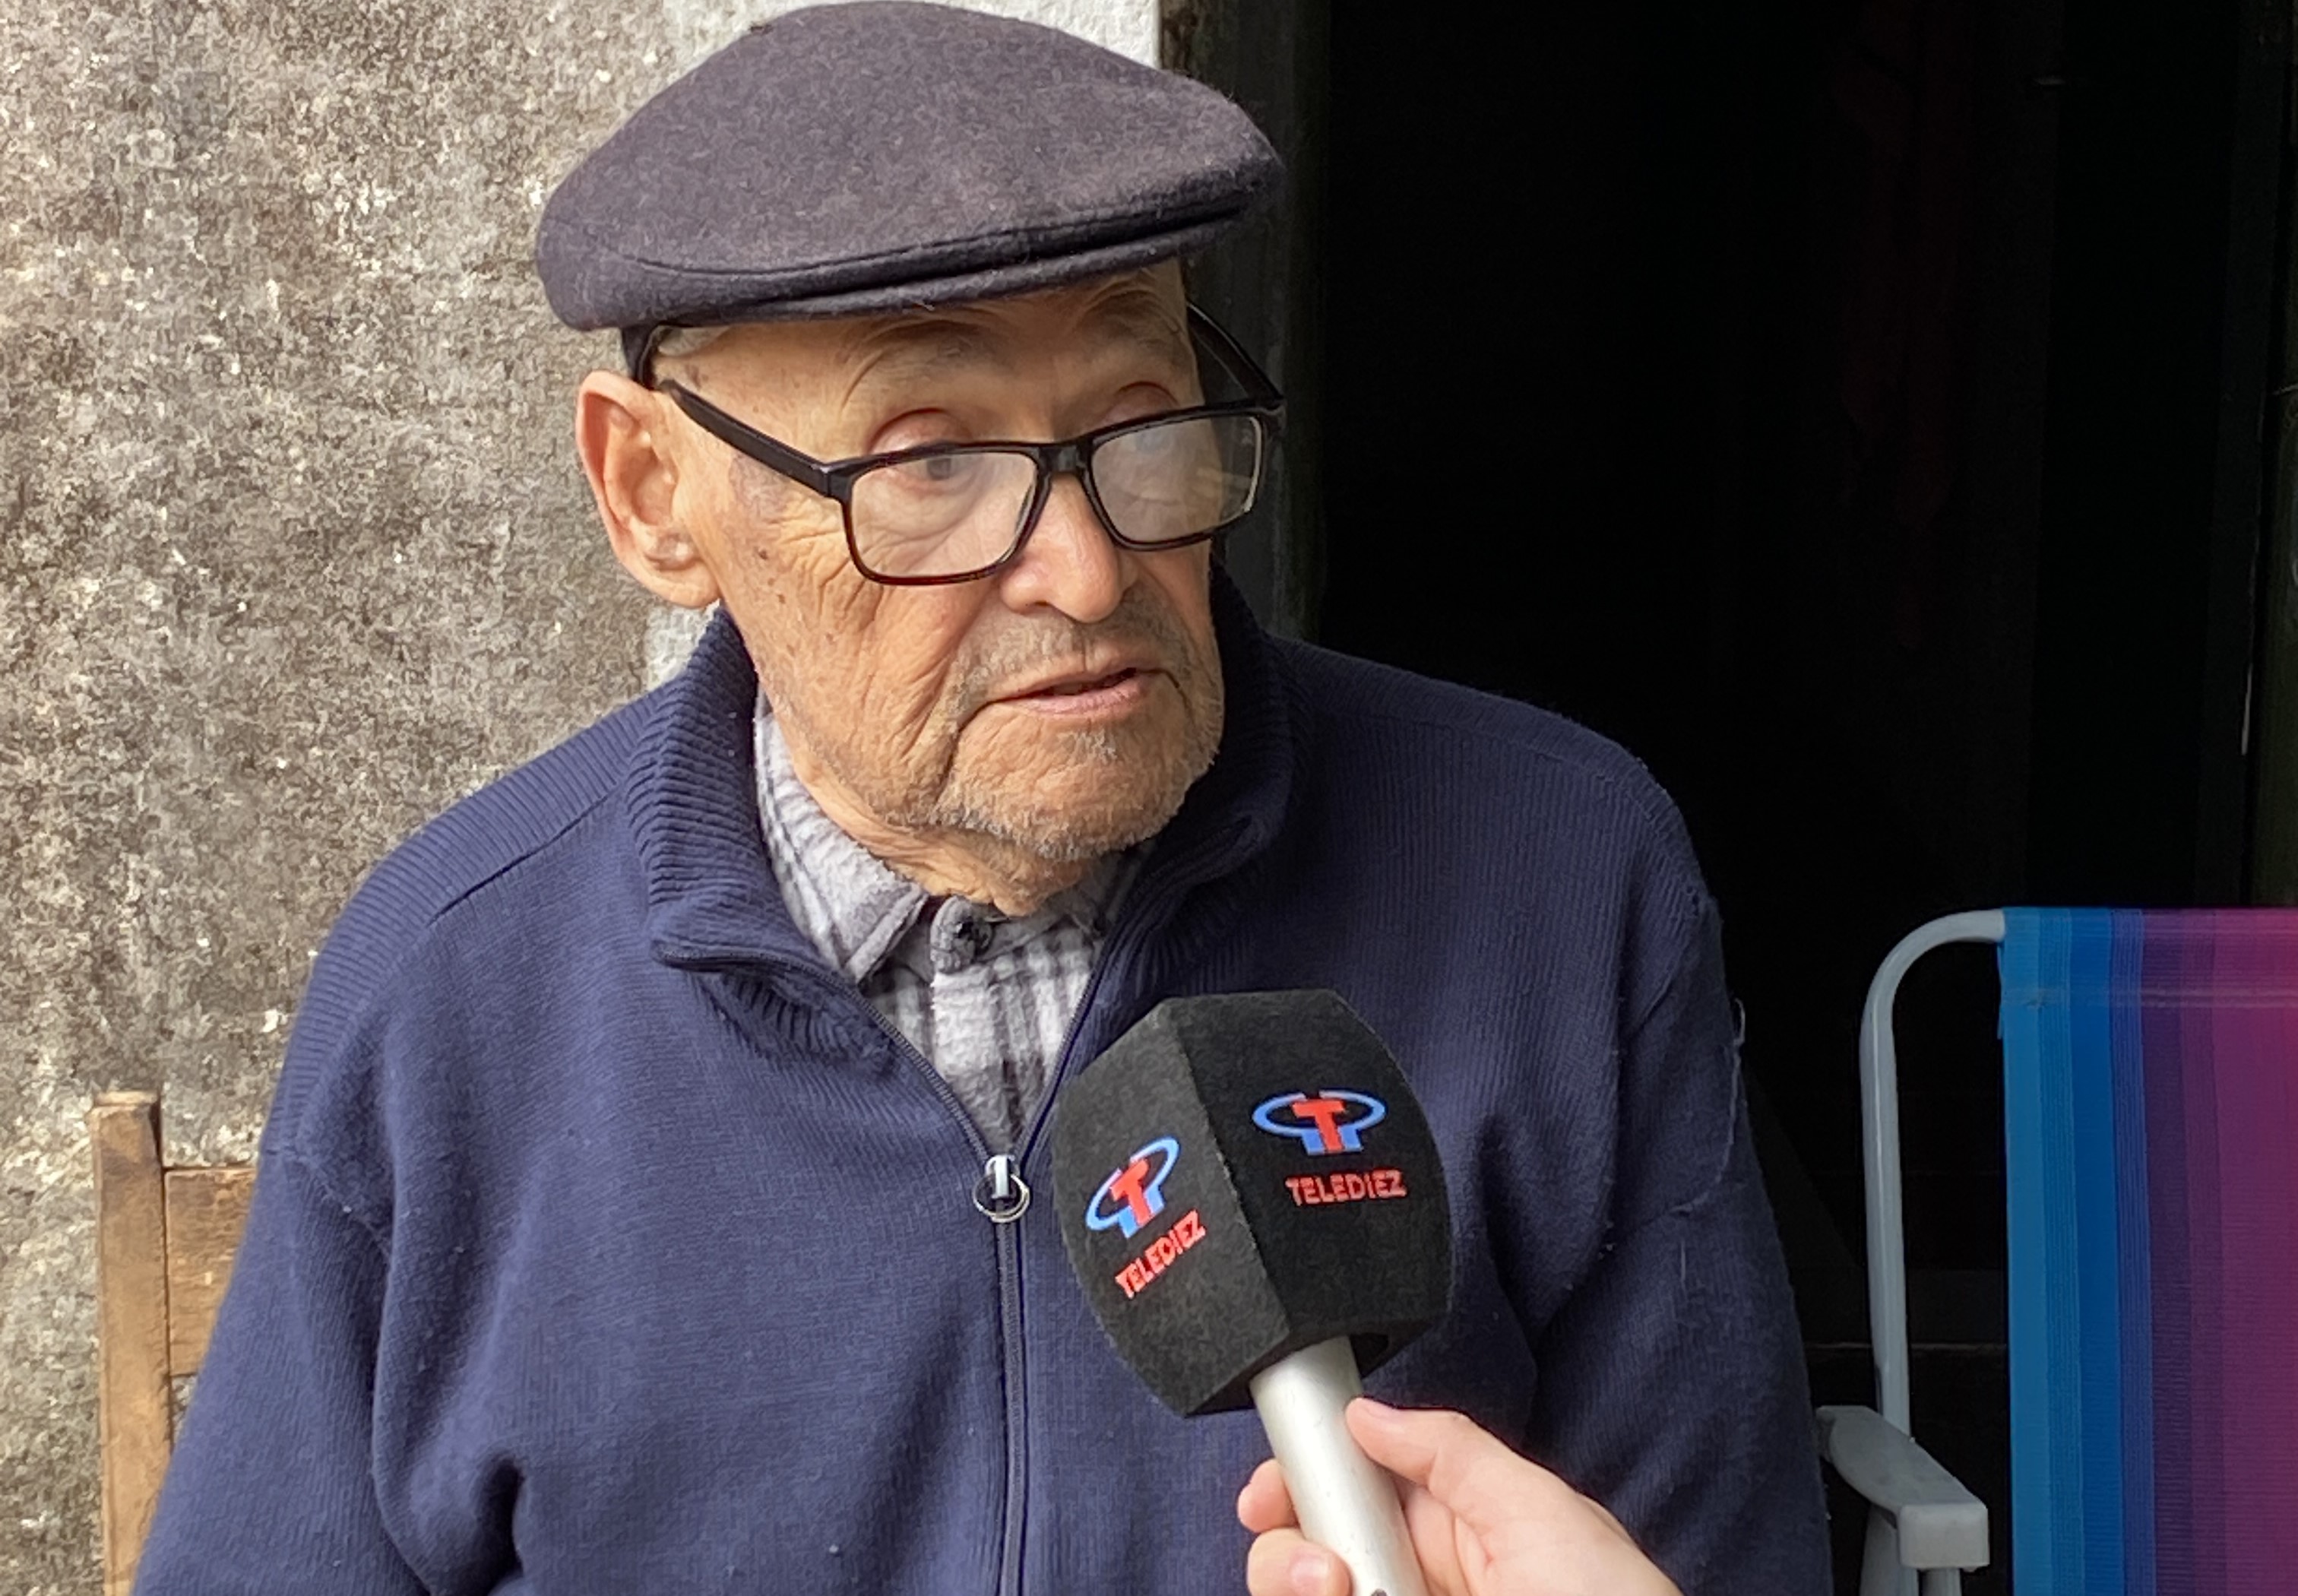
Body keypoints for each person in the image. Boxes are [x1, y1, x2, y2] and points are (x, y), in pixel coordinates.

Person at [133, 6, 1830, 1593]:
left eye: (1143, 421)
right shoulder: (450, 990)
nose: (1086, 573)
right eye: (929, 463)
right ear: (652, 491)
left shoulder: (1559, 881)